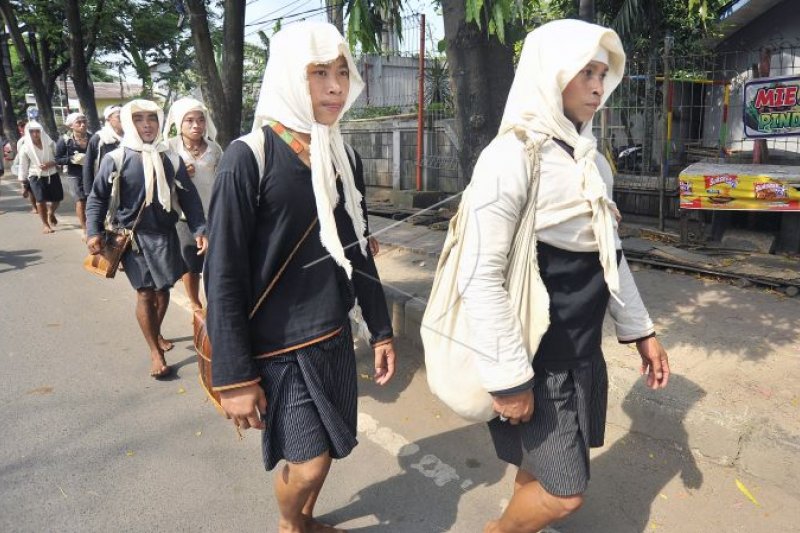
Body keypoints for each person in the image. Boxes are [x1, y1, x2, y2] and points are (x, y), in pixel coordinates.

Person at [451, 20, 671, 533]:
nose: (597, 86)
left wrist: (643, 333)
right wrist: (509, 379)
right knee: (565, 494)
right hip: (535, 357)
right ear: (550, 75)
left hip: (580, 351)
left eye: (601, 73)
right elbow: (479, 274)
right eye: (584, 73)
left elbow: (609, 256)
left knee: (537, 466)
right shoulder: (509, 158)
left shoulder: (592, 160)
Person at [204, 22, 397, 533]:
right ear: (291, 77)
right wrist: (235, 377)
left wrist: (380, 329)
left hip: (332, 334)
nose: (336, 86)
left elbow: (357, 249)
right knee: (307, 460)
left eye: (341, 72)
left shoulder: (343, 156)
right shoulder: (248, 159)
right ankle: (291, 526)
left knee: (329, 449)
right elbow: (221, 274)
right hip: (275, 348)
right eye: (319, 73)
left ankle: (305, 517)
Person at [85, 100, 207, 379]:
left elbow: (189, 197)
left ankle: (156, 330)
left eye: (152, 118)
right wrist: (92, 231)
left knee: (163, 290)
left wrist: (200, 229)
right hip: (134, 239)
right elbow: (97, 198)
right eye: (139, 119)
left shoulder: (170, 158)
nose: (147, 124)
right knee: (145, 292)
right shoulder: (115, 159)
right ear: (130, 123)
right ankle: (155, 351)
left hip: (166, 236)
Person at [162, 97, 223, 311]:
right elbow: (156, 182)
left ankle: (214, 303)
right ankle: (195, 303)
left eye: (200, 120)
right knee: (190, 261)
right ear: (179, 123)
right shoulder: (168, 148)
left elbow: (222, 180)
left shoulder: (215, 149)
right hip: (183, 216)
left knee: (214, 260)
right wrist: (175, 175)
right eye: (189, 120)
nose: (196, 125)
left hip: (213, 214)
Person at [18, 121, 62, 233]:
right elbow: (23, 166)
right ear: (28, 133)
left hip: (52, 174)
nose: (35, 134)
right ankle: (45, 225)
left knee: (57, 199)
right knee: (40, 200)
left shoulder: (50, 143)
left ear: (41, 131)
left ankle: (50, 212)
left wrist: (51, 164)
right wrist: (23, 185)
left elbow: (59, 157)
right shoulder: (25, 147)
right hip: (35, 176)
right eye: (32, 131)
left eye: (37, 131)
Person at [55, 112, 91, 237]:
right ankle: (85, 228)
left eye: (84, 122)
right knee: (80, 201)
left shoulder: (93, 138)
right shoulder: (65, 140)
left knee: (93, 199)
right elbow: (58, 159)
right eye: (78, 122)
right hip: (74, 174)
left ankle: (96, 226)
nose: (82, 125)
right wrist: (72, 159)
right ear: (71, 125)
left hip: (92, 173)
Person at [83, 105, 123, 197]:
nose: (123, 119)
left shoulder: (132, 138)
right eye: (119, 117)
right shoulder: (100, 138)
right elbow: (88, 165)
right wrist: (89, 192)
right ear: (108, 119)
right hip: (106, 186)